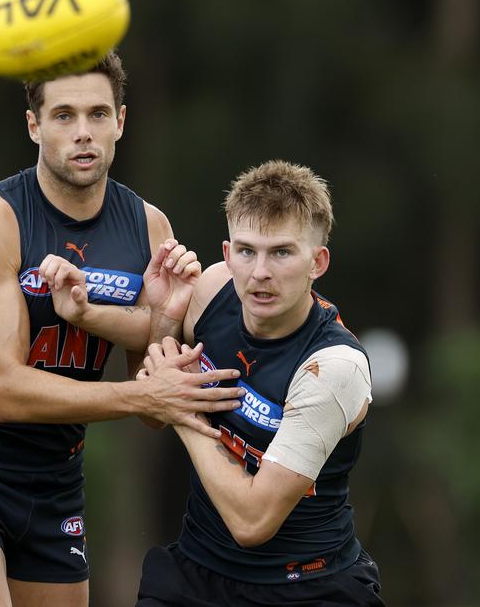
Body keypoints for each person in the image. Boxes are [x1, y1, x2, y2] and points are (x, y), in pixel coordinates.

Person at [0, 51, 242, 607]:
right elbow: (6, 394)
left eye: (97, 114)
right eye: (63, 116)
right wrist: (141, 396)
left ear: (121, 121)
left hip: (55, 484)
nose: (83, 133)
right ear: (34, 125)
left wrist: (161, 319)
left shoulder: (149, 226)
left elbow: (154, 404)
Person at [135, 160, 385, 605]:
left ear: (318, 262)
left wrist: (183, 411)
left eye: (282, 252)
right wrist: (164, 320)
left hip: (308, 586)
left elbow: (252, 523)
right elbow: (153, 412)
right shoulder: (211, 290)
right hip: (198, 571)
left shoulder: (332, 368)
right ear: (227, 254)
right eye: (247, 252)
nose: (260, 272)